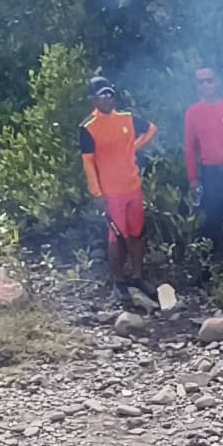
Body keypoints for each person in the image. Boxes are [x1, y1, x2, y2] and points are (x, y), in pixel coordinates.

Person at [80, 83, 156, 296]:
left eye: (110, 95)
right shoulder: (88, 127)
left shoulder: (126, 118)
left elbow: (152, 129)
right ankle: (118, 281)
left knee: (137, 233)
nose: (107, 100)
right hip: (111, 192)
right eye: (102, 96)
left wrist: (134, 147)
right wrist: (97, 193)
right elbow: (88, 163)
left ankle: (138, 276)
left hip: (132, 187)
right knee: (116, 237)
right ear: (92, 100)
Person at [181, 67, 223, 262]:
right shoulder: (193, 113)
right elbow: (190, 148)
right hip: (211, 174)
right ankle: (210, 265)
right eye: (201, 82)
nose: (206, 85)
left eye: (209, 80)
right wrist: (193, 179)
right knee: (212, 220)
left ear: (218, 81)